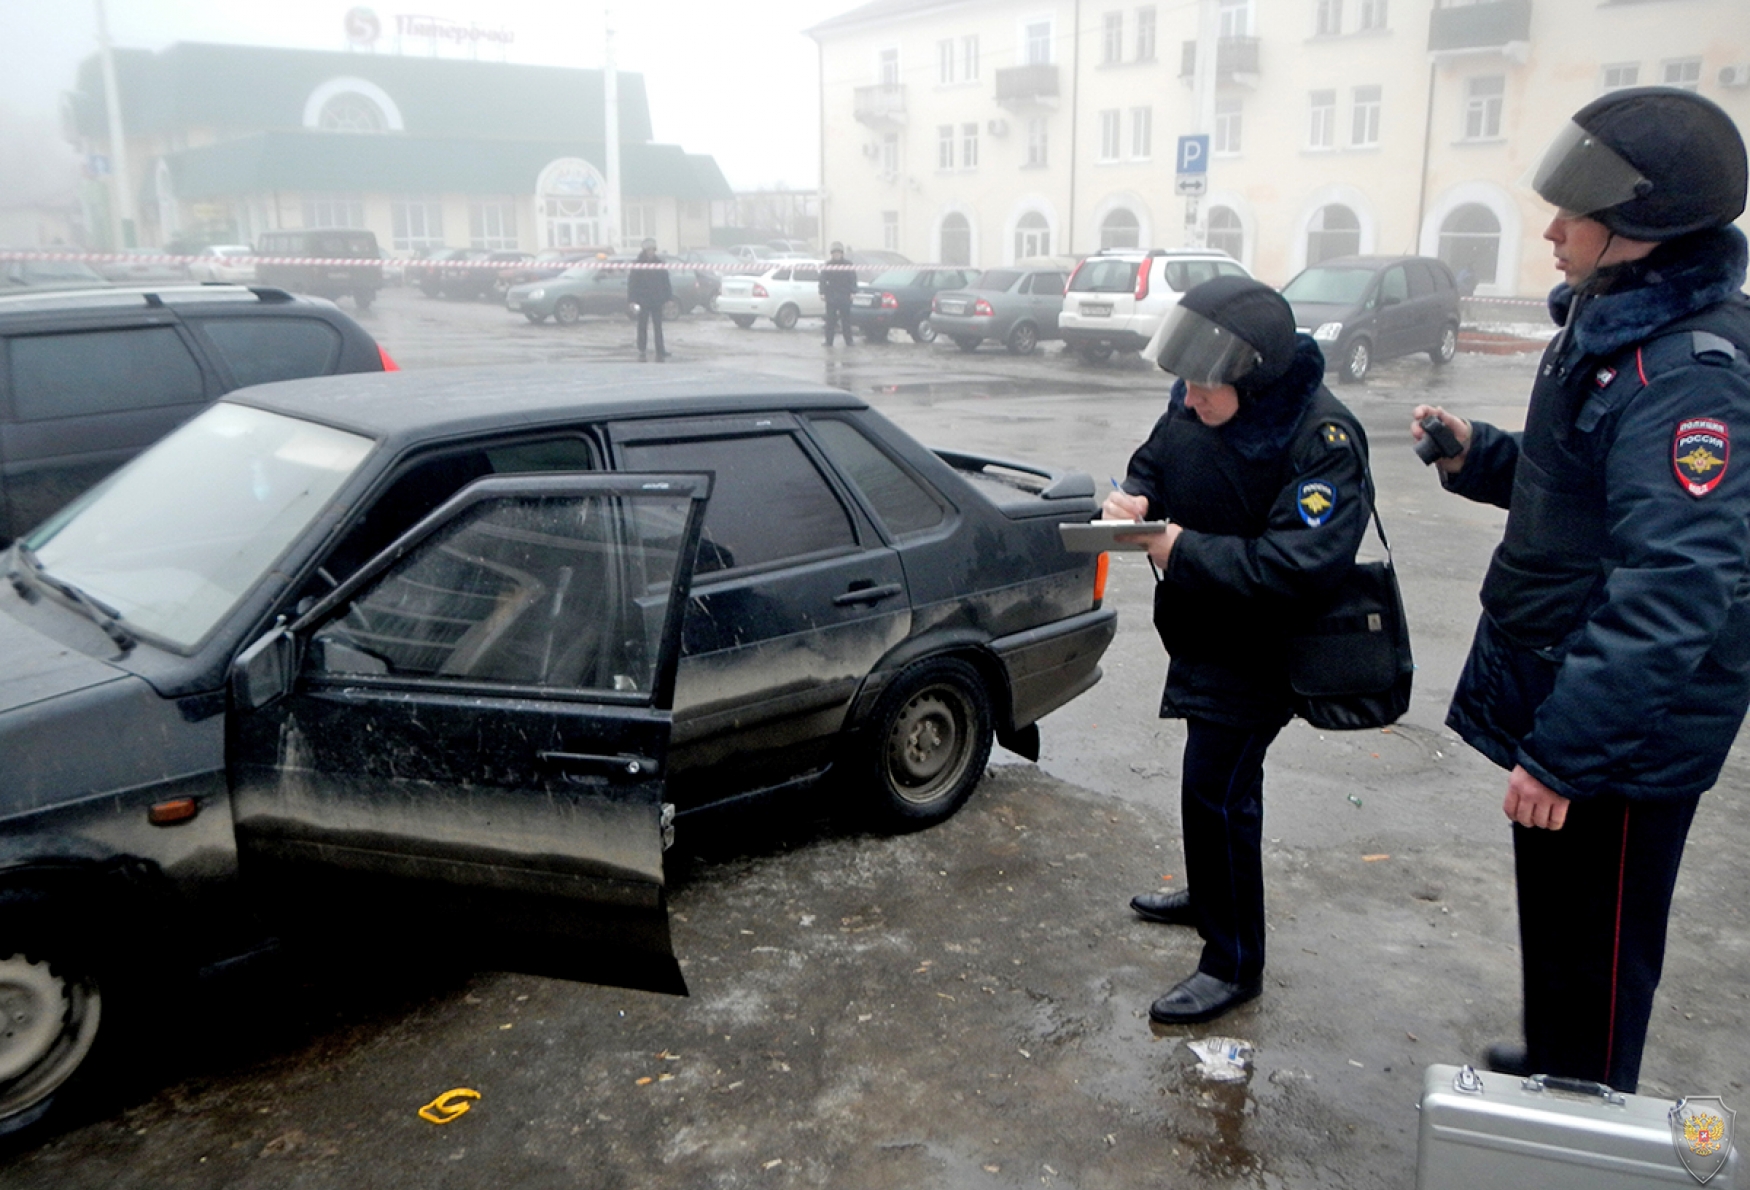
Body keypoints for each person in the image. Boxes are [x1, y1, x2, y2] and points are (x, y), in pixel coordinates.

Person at [1412, 87, 1750, 1092]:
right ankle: (1561, 1055)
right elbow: (1578, 492)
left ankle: (1587, 1095)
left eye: (1574, 215)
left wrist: (1562, 758)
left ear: (1642, 226)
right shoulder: (1613, 328)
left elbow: (1675, 582)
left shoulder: (1690, 372)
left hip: (1619, 741)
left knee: (1599, 944)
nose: (1550, 230)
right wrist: (1478, 456)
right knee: (1556, 917)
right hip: (1568, 693)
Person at [1104, 276, 1372, 1025]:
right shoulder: (1199, 395)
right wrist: (1134, 499)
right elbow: (1155, 460)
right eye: (1185, 383)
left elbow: (1299, 566)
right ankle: (1210, 889)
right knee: (1211, 789)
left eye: (1205, 388)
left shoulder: (1321, 437)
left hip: (1263, 647)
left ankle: (1232, 964)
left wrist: (1175, 546)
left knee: (1217, 789)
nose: (1191, 399)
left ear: (1252, 379)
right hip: (1201, 630)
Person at [628, 238, 671, 362]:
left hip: (657, 300)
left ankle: (660, 350)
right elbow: (632, 283)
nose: (651, 252)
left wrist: (668, 297)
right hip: (642, 300)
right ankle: (642, 349)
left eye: (652, 250)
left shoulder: (659, 263)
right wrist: (632, 300)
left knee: (658, 326)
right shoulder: (638, 264)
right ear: (645, 250)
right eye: (649, 250)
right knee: (642, 325)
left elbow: (665, 281)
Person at [820, 241, 858, 347]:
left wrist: (853, 291)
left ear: (842, 253)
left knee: (846, 321)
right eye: (834, 253)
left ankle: (849, 341)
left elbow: (853, 279)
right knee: (830, 321)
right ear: (832, 254)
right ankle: (829, 341)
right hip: (831, 297)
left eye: (838, 253)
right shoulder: (828, 265)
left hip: (845, 296)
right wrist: (822, 293)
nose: (836, 255)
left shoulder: (848, 265)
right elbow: (822, 279)